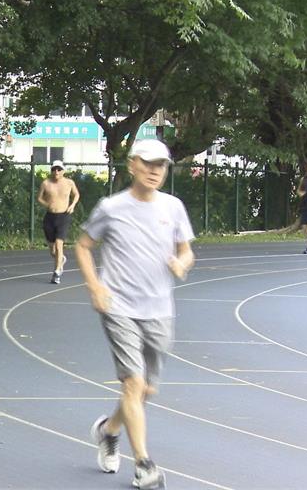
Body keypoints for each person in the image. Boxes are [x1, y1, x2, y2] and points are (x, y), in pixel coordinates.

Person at [75, 139, 194, 490]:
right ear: (132, 166)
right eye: (149, 163)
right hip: (119, 307)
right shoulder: (111, 208)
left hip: (159, 309)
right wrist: (95, 287)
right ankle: (144, 465)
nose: (155, 170)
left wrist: (181, 263)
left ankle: (109, 430)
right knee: (133, 383)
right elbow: (82, 246)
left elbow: (187, 250)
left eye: (162, 165)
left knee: (145, 391)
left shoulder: (173, 207)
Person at [37, 160, 80, 284]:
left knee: (59, 243)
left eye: (59, 169)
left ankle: (56, 272)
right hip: (50, 217)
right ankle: (61, 260)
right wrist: (46, 204)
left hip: (63, 216)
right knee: (53, 250)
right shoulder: (46, 183)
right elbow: (39, 197)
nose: (56, 172)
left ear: (63, 171)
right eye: (54, 169)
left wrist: (72, 205)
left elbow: (76, 195)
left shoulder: (69, 183)